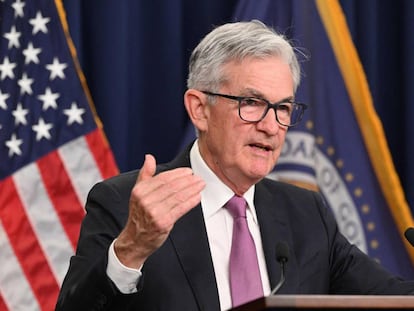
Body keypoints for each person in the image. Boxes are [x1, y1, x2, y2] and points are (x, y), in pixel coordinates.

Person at [55, 20, 414, 311]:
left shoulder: (306, 213)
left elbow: (393, 299)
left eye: (283, 108)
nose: (271, 126)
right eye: (252, 103)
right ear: (200, 109)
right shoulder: (126, 205)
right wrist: (132, 248)